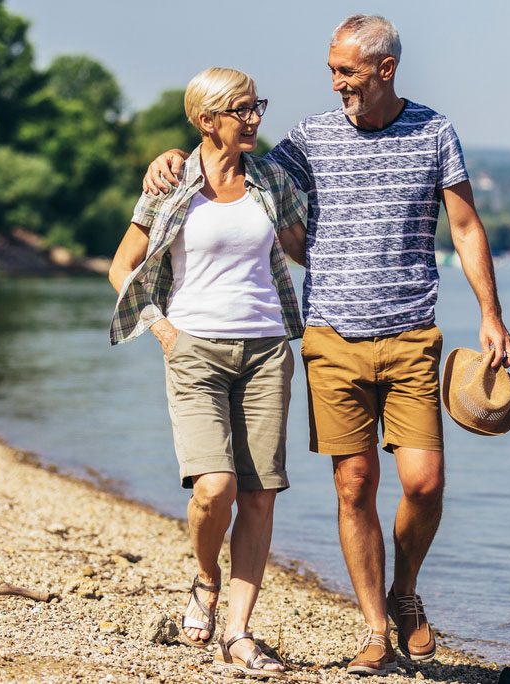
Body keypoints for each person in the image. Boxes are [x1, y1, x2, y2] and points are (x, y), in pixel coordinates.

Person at [142, 15, 510, 676]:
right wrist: (173, 157)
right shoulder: (312, 137)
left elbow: (463, 225)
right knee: (354, 485)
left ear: (385, 69)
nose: (335, 81)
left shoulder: (433, 132)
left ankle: (405, 593)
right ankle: (375, 630)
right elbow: (233, 163)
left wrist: (491, 314)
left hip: (411, 334)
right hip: (332, 338)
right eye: (332, 69)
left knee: (424, 483)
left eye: (345, 71)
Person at [110, 67, 307, 678]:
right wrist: (164, 333)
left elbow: (304, 249)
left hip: (268, 349)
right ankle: (204, 577)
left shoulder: (270, 176)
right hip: (193, 348)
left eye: (256, 107)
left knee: (259, 492)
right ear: (207, 119)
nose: (254, 119)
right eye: (242, 110)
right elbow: (122, 267)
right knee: (213, 488)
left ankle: (238, 633)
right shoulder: (170, 180)